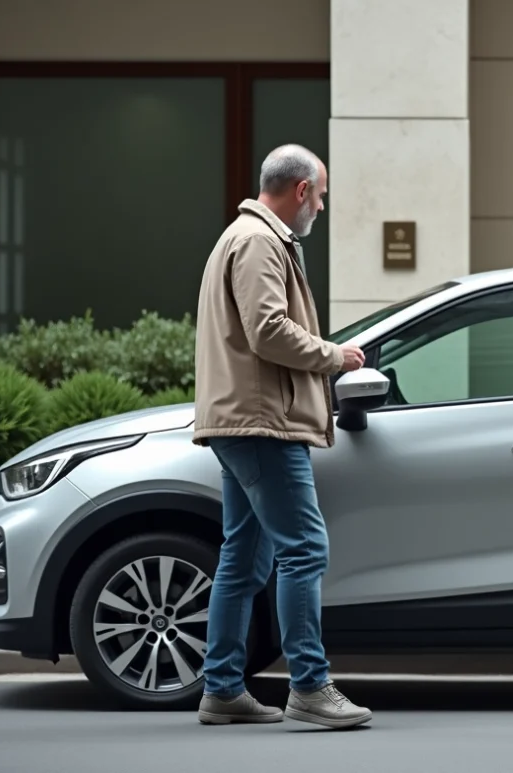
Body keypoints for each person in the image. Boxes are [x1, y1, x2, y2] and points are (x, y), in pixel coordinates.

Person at [191, 144, 371, 729]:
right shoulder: (260, 242)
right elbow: (268, 330)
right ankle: (311, 686)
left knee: (243, 558)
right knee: (304, 549)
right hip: (261, 422)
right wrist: (334, 357)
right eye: (320, 196)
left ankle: (222, 690)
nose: (320, 207)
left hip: (247, 418)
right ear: (301, 191)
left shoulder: (247, 238)